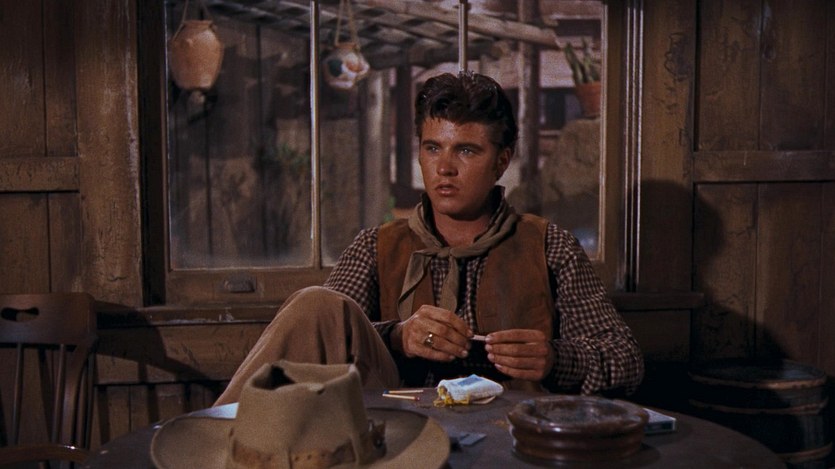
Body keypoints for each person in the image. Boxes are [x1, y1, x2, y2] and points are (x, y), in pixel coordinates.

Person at [215, 71, 643, 405]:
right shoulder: (376, 246)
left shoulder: (548, 245)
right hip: (397, 428)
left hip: (507, 432)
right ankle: (221, 441)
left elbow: (625, 359)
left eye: (466, 150)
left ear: (501, 162)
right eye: (433, 148)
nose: (445, 168)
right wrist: (398, 336)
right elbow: (331, 334)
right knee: (316, 303)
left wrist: (555, 358)